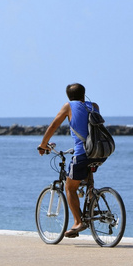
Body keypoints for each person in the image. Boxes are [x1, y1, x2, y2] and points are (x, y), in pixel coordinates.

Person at [37, 83, 103, 238]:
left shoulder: (68, 106)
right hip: (99, 151)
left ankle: (78, 222)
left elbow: (54, 125)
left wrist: (43, 144)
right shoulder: (94, 106)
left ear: (68, 96)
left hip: (82, 152)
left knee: (70, 188)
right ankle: (92, 201)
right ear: (84, 93)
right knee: (86, 178)